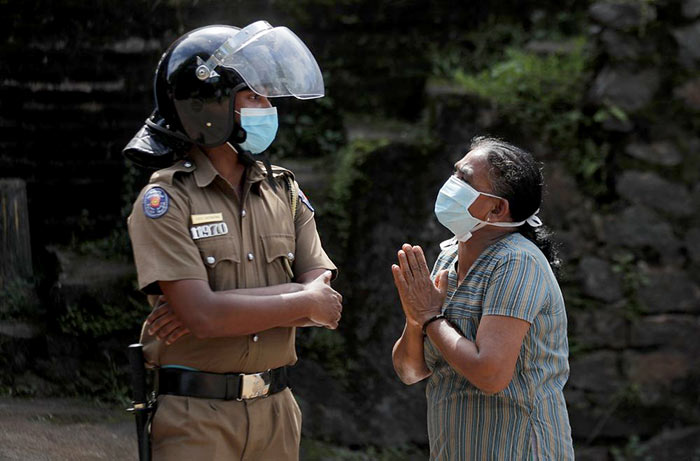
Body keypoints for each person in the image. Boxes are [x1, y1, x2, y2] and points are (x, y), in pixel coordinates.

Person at [123, 21, 341, 460]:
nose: (268, 107)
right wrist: (299, 299)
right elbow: (204, 316)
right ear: (211, 107)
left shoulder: (286, 191)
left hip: (278, 413)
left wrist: (222, 306)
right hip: (196, 419)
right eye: (254, 96)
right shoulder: (166, 200)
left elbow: (327, 304)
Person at [391, 136, 574, 460]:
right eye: (455, 173)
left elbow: (490, 374)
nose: (451, 184)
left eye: (464, 179)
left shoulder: (516, 261)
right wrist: (415, 318)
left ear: (496, 209)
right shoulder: (449, 258)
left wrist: (432, 319)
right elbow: (410, 372)